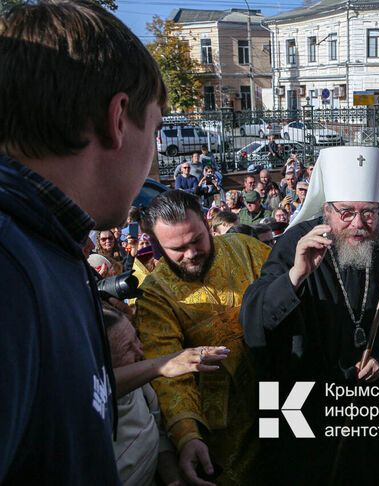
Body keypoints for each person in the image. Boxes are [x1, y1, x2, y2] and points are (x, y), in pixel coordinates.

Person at [0, 1, 166, 482]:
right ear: (119, 119)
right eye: (155, 130)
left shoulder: (45, 246)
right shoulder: (11, 268)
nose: (154, 158)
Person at [241, 146, 379, 484]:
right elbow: (255, 318)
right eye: (346, 212)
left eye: (369, 212)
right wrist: (296, 275)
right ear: (327, 209)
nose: (358, 223)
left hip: (359, 396)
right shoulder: (297, 241)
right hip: (301, 395)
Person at [135, 190, 271, 485]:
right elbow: (168, 374)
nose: (191, 253)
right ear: (157, 244)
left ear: (207, 224)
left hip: (277, 390)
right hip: (222, 428)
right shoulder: (155, 295)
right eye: (177, 248)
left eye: (196, 240)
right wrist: (187, 435)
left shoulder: (245, 249)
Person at [103, 303, 228, 485]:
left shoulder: (141, 388)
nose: (141, 351)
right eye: (127, 348)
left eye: (136, 337)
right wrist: (161, 366)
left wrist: (174, 478)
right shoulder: (81, 415)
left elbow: (157, 433)